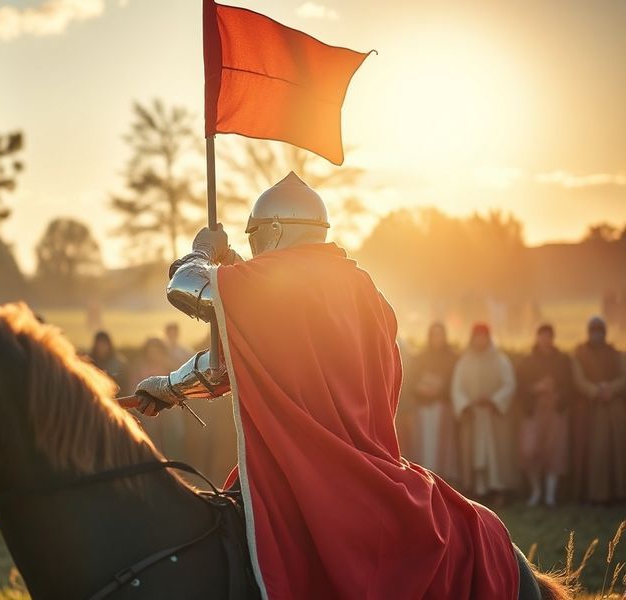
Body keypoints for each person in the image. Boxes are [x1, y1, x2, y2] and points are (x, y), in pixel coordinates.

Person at [131, 172, 528, 599]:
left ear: (275, 230)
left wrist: (204, 250)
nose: (252, 250)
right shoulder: (368, 292)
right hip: (376, 463)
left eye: (255, 237)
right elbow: (228, 367)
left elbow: (186, 288)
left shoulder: (277, 284)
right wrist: (168, 387)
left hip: (307, 470)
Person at [451, 323, 517, 505]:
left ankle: (497, 489)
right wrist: (465, 404)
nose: (480, 340)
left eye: (483, 336)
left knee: (495, 455)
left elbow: (509, 384)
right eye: (477, 337)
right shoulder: (465, 361)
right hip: (473, 414)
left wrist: (494, 400)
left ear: (488, 338)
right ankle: (478, 490)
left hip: (492, 414)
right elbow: (457, 387)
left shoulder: (499, 360)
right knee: (474, 453)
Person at [570, 317, 626, 503]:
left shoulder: (615, 353)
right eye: (593, 329)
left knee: (618, 453)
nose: (597, 333)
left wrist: (610, 388)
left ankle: (618, 493)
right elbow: (578, 380)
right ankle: (596, 495)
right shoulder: (580, 353)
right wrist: (596, 391)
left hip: (615, 411)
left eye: (599, 329)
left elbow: (623, 376)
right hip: (590, 411)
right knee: (595, 453)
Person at [516, 324, 572, 507]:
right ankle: (536, 492)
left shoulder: (563, 360)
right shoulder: (527, 361)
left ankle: (550, 495)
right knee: (530, 450)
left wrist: (556, 393)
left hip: (555, 410)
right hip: (533, 411)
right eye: (542, 336)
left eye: (548, 336)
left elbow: (570, 385)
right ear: (537, 337)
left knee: (554, 451)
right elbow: (520, 386)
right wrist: (535, 388)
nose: (545, 339)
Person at [407, 321, 458, 482]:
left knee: (442, 445)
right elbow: (410, 380)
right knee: (424, 444)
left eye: (440, 335)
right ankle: (423, 478)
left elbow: (454, 382)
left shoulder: (452, 358)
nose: (437, 338)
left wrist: (439, 390)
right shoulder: (420, 358)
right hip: (423, 407)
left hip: (442, 406)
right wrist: (421, 390)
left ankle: (443, 478)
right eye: (434, 335)